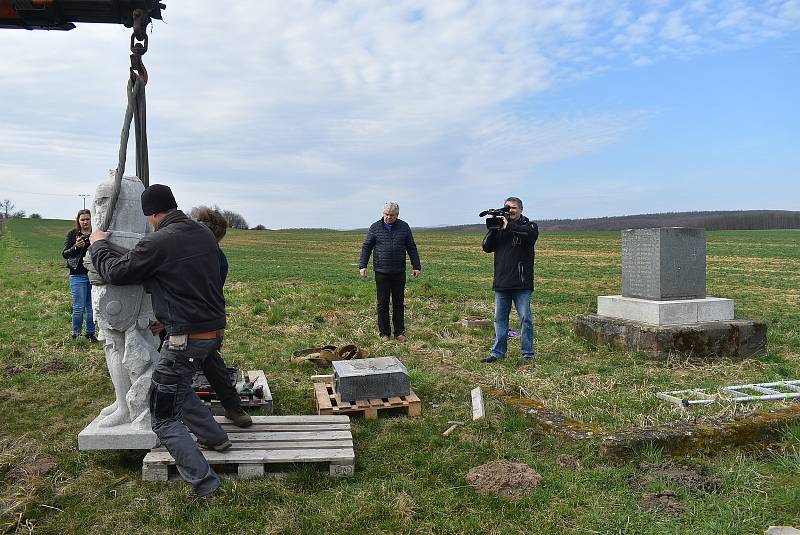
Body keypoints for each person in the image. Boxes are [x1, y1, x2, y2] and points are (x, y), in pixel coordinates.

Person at [89, 184, 230, 497]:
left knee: (163, 416)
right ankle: (217, 438)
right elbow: (180, 276)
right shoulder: (202, 233)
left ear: (151, 215)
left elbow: (116, 272)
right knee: (175, 385)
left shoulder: (158, 241)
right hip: (212, 332)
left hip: (185, 339)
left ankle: (205, 484)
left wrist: (99, 245)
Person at [149, 206, 252, 428]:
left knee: (184, 368)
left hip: (190, 322)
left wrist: (167, 324)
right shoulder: (182, 249)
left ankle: (198, 421)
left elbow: (197, 296)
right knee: (205, 361)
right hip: (181, 318)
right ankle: (229, 409)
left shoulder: (216, 259)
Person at [480, 196, 539, 363]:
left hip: (522, 283)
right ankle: (498, 353)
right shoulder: (500, 228)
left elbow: (528, 235)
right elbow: (486, 247)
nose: (510, 210)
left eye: (513, 208)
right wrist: (494, 228)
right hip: (502, 282)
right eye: (507, 207)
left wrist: (509, 226)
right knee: (500, 320)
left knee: (525, 318)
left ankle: (527, 354)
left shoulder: (530, 226)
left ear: (521, 209)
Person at [359, 201, 421, 342]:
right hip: (381, 271)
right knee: (383, 303)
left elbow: (411, 247)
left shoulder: (404, 227)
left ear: (397, 215)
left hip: (399, 271)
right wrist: (363, 265)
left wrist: (416, 266)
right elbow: (367, 246)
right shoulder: (375, 227)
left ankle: (399, 332)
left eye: (391, 215)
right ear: (383, 213)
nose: (388, 217)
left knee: (399, 302)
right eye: (386, 214)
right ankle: (384, 333)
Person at [62, 209, 97, 342]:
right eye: (82, 219)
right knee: (78, 306)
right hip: (77, 275)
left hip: (93, 275)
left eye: (87, 219)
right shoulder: (72, 234)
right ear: (78, 221)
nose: (85, 222)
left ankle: (90, 333)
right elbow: (64, 254)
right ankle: (76, 334)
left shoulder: (96, 234)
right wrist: (76, 247)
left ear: (91, 220)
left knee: (91, 307)